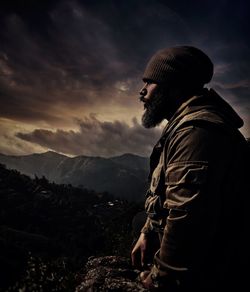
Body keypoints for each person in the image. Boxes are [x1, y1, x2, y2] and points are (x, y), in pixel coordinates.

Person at [131, 46, 250, 291]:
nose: (142, 91)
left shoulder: (195, 132)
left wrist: (159, 281)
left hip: (217, 267)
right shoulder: (183, 125)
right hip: (212, 251)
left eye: (150, 82)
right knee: (138, 221)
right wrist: (147, 232)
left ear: (173, 86)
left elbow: (188, 220)